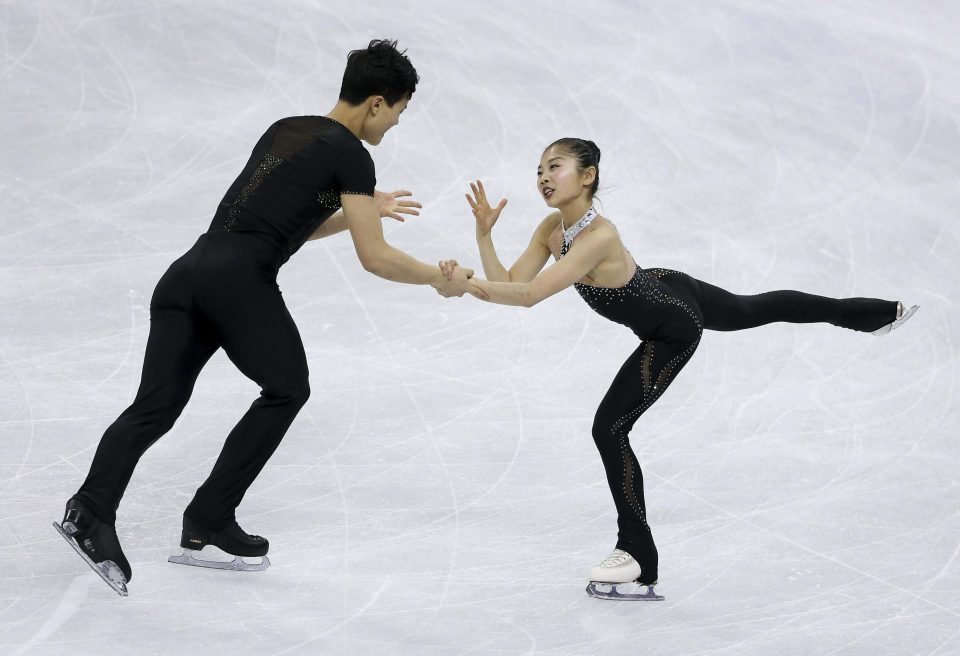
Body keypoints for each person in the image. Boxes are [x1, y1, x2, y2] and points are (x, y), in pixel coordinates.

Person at [54, 39, 473, 596]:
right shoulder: (354, 156)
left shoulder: (288, 126)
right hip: (237, 281)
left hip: (189, 272)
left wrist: (359, 212)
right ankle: (208, 516)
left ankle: (89, 510)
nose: (395, 123)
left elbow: (281, 218)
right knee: (287, 389)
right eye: (397, 111)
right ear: (376, 103)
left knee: (156, 405)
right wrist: (436, 278)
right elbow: (375, 259)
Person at [448, 137, 918, 600]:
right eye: (539, 170)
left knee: (610, 427)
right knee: (759, 307)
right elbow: (509, 284)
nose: (544, 177)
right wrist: (484, 236)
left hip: (673, 328)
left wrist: (466, 284)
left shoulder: (599, 237)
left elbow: (527, 297)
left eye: (555, 167)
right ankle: (874, 316)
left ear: (587, 175)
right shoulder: (553, 228)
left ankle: (637, 554)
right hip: (666, 283)